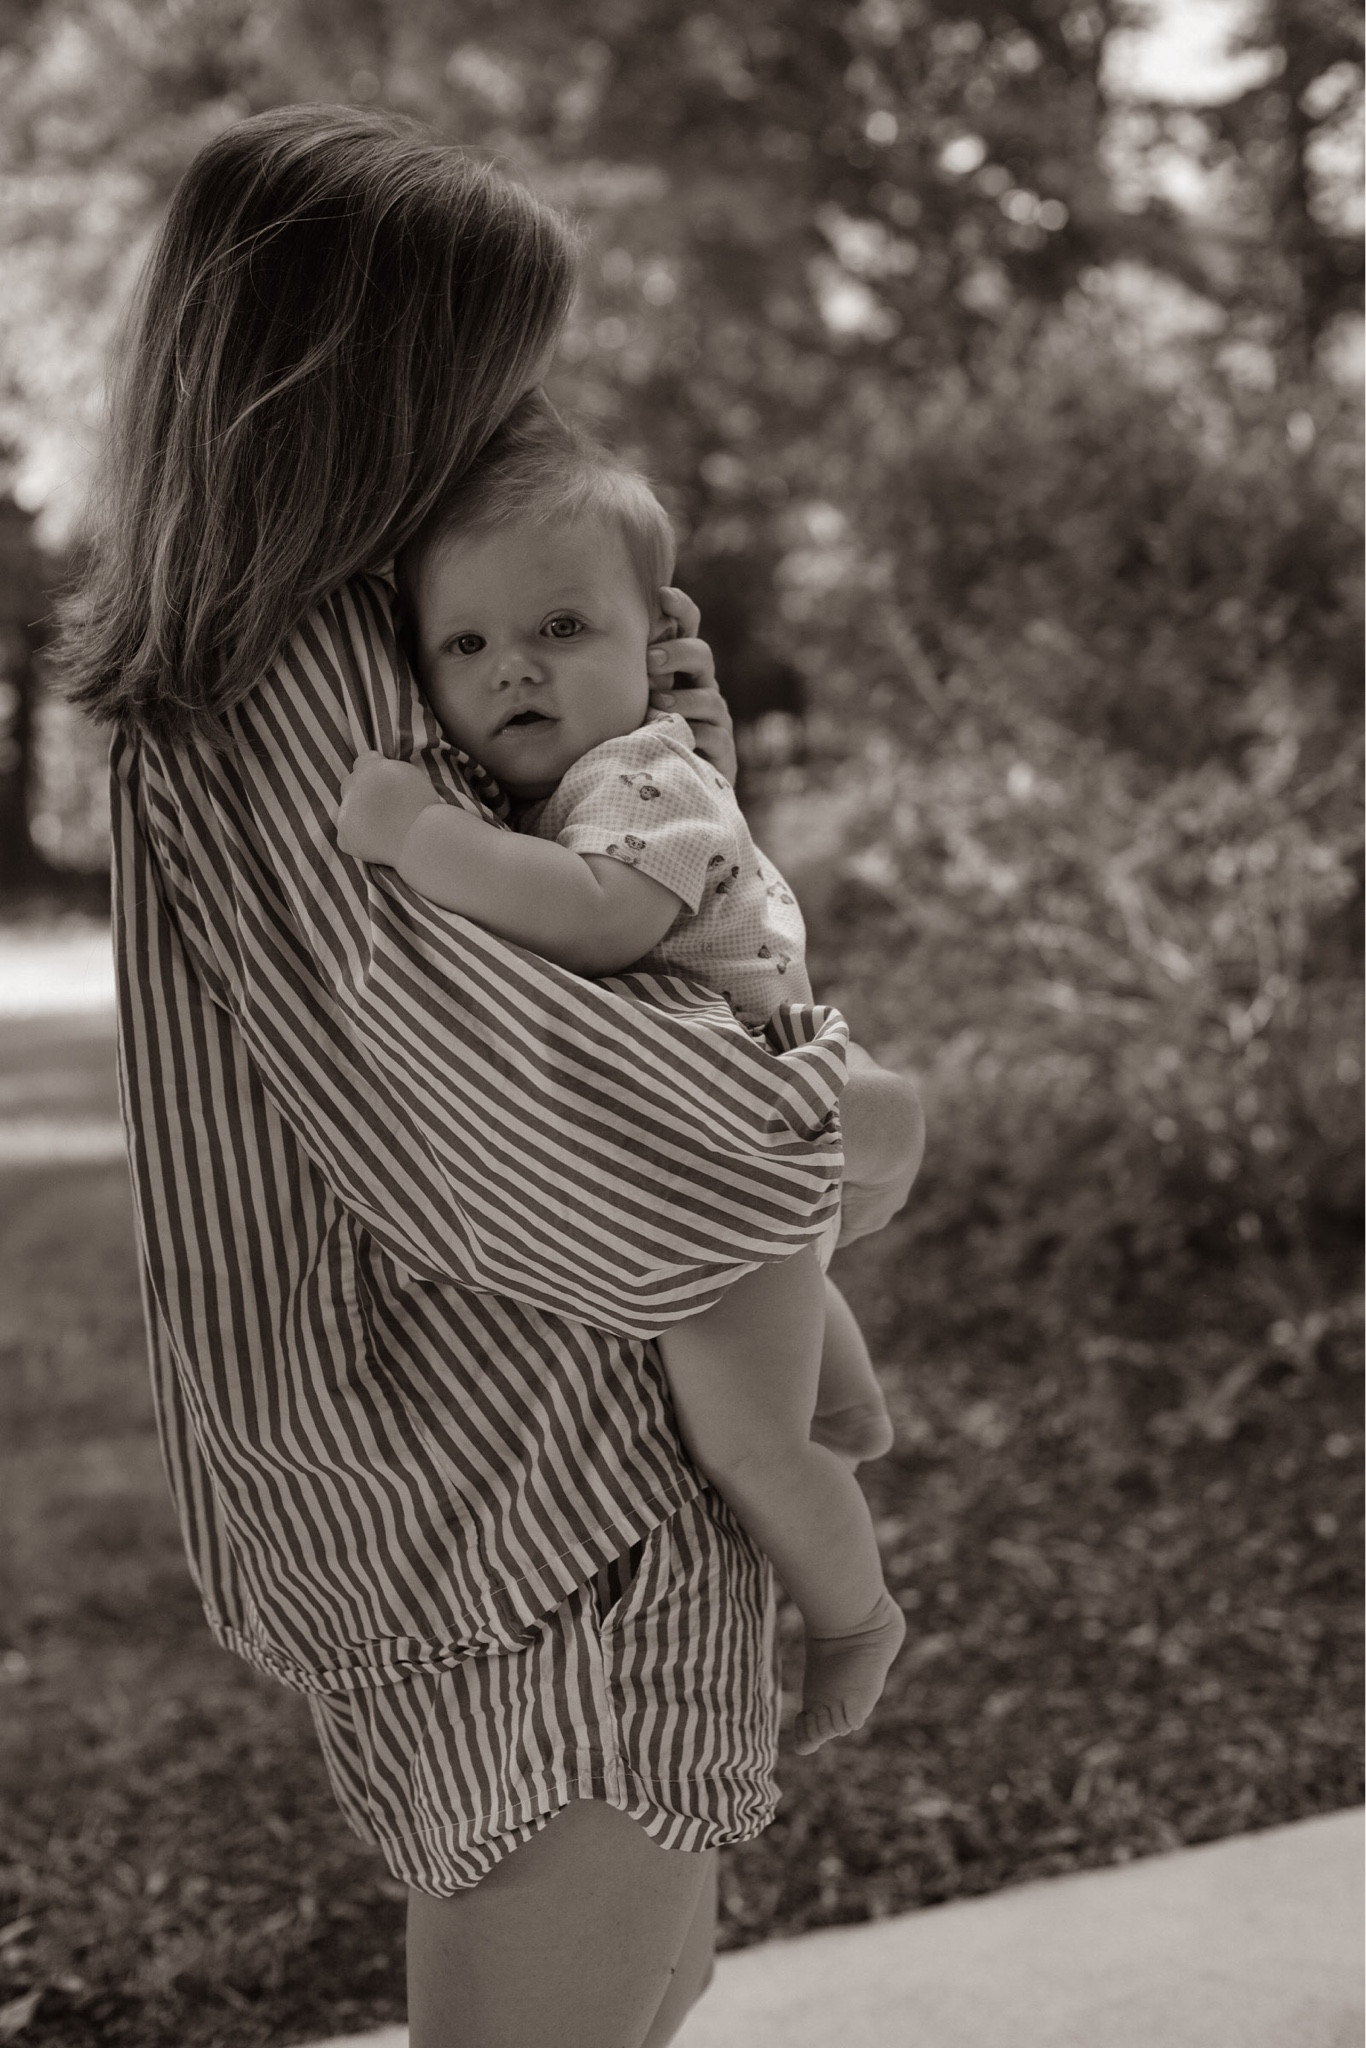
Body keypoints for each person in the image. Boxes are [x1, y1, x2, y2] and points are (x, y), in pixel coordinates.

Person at [56, 106, 922, 2048]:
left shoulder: (348, 647)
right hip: (527, 1473)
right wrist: (841, 1119)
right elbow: (498, 1088)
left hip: (485, 1452)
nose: (518, 410)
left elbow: (600, 942)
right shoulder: (301, 683)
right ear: (361, 380)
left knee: (645, 1969)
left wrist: (666, 780)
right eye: (487, 366)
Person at [337, 398, 918, 1757]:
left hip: (729, 1141)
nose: (512, 670)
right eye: (465, 645)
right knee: (785, 1344)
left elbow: (602, 921)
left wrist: (419, 835)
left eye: (561, 629)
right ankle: (845, 1398)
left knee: (747, 1444)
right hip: (732, 1133)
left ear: (653, 645)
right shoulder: (583, 785)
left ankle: (856, 1616)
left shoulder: (646, 776)